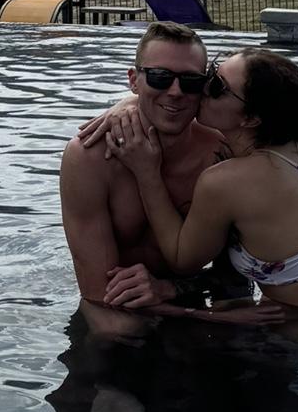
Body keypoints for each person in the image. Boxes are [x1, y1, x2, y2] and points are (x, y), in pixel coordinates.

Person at [104, 48, 298, 318]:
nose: (203, 87)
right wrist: (131, 101)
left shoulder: (225, 183)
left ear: (251, 119)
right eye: (212, 71)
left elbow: (182, 259)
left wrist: (147, 173)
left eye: (217, 86)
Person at [59, 23, 261, 328]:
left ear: (204, 87)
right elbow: (99, 294)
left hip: (190, 291)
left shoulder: (221, 152)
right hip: (120, 305)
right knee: (118, 329)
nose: (176, 91)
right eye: (159, 77)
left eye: (191, 81)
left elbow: (240, 275)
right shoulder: (90, 157)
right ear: (133, 80)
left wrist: (182, 300)